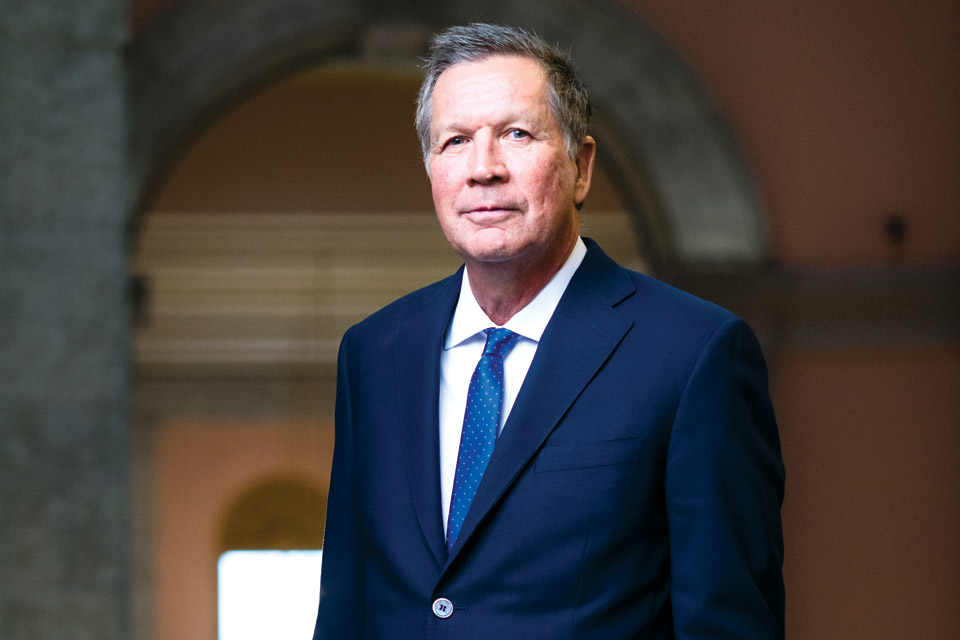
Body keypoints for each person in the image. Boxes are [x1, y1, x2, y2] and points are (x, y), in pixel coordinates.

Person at [313, 23, 784, 639]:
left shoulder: (694, 354)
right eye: (455, 141)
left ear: (581, 166)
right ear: (431, 170)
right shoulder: (373, 353)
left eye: (515, 134)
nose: (483, 169)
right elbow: (347, 609)